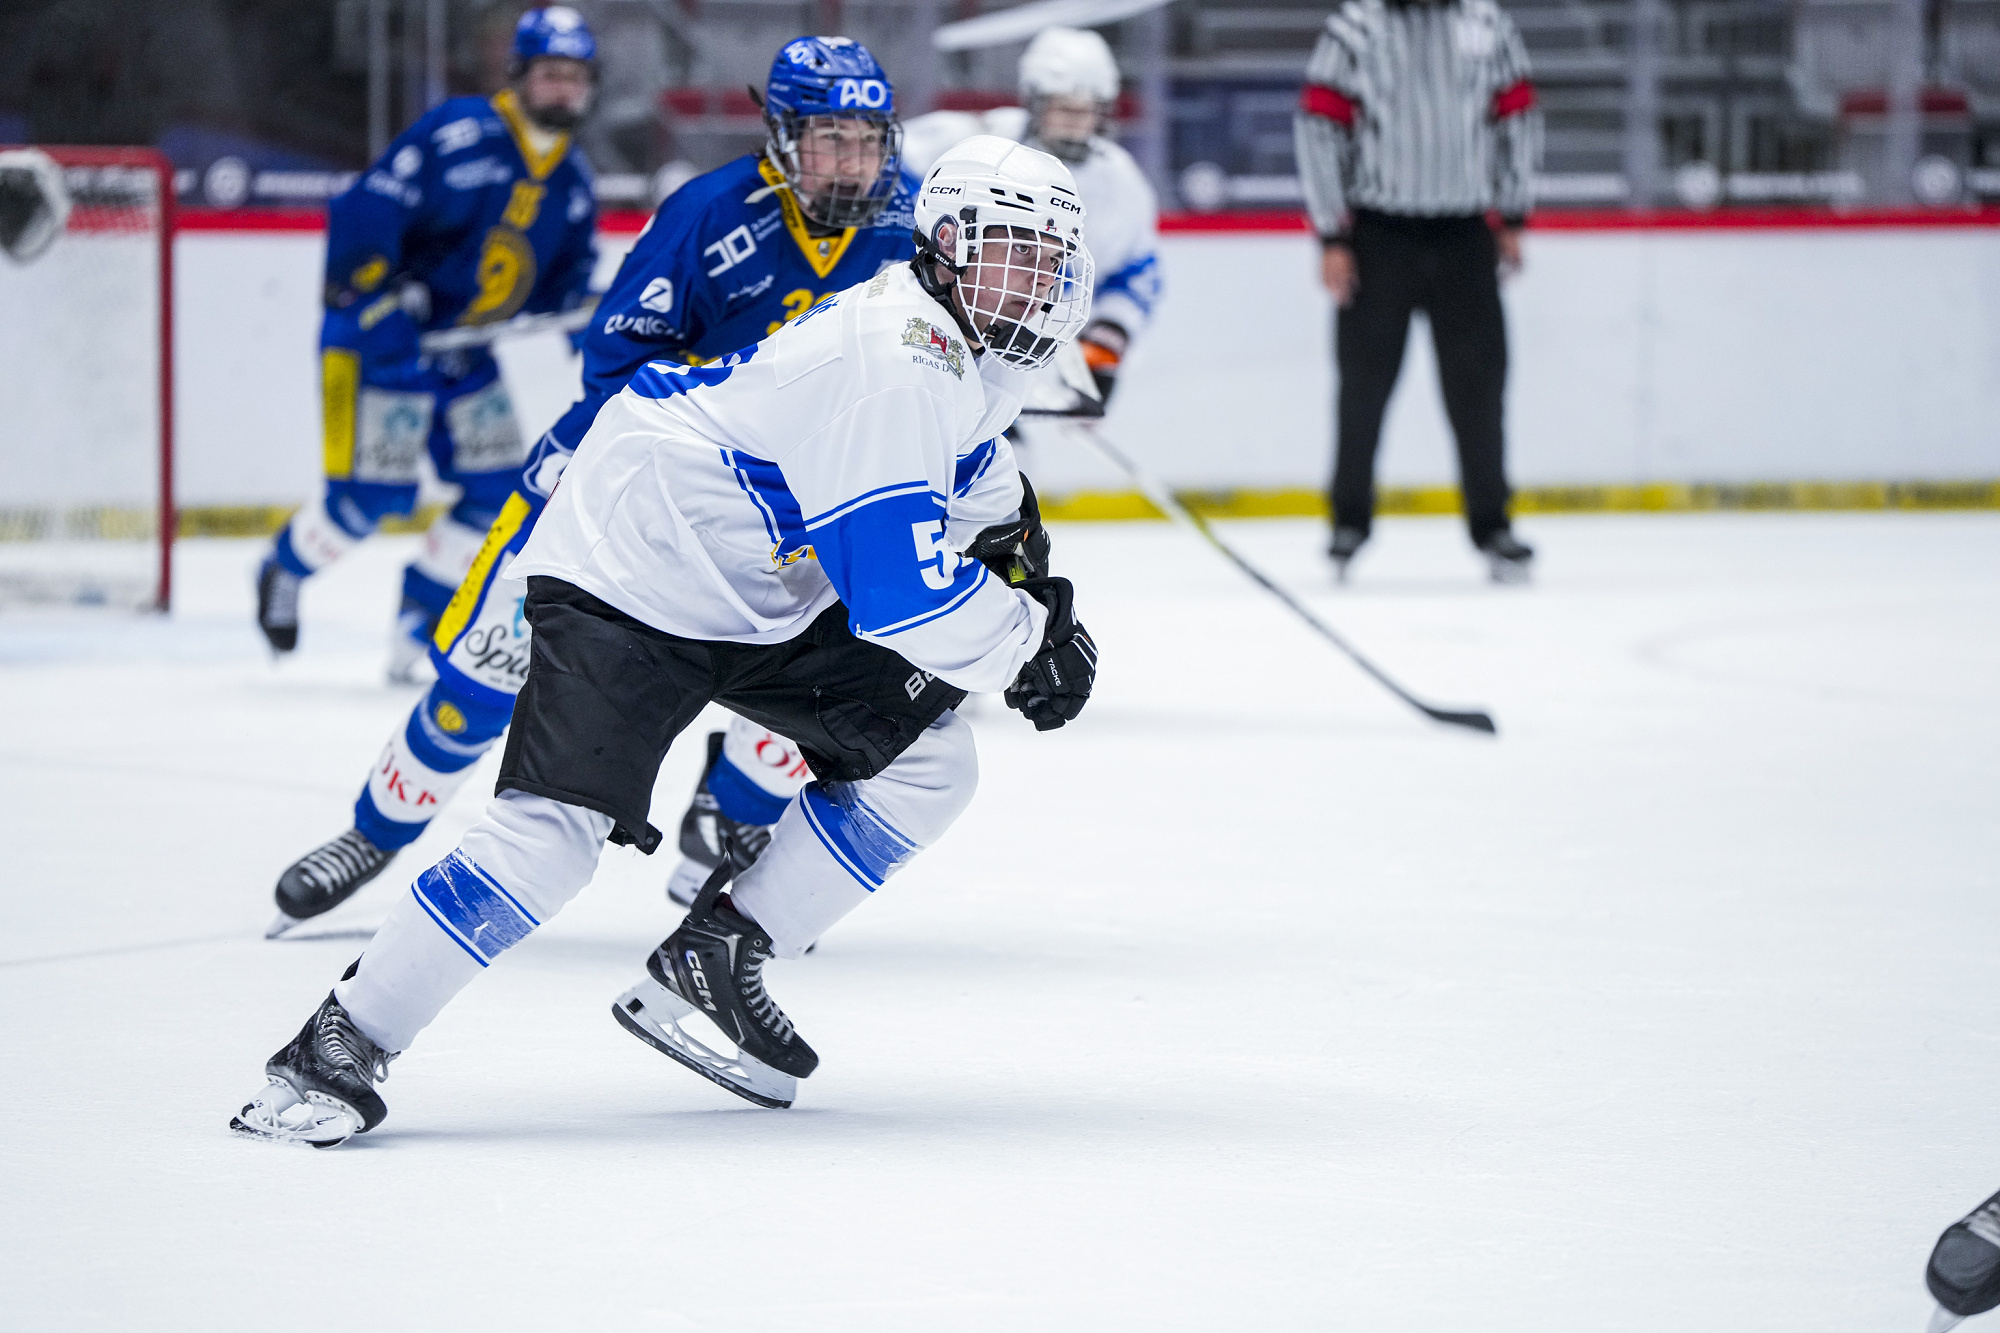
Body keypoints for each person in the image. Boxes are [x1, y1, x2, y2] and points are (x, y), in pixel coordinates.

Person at [229, 134, 1100, 1144]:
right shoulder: (901, 355)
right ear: (946, 245)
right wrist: (1025, 642)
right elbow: (899, 596)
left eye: (1052, 258)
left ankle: (717, 954)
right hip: (633, 561)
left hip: (755, 582)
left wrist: (1030, 575)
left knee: (930, 764)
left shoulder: (962, 348)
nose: (1039, 279)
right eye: (1017, 251)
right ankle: (338, 1042)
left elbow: (975, 474)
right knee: (549, 840)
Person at [265, 35, 918, 937]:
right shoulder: (708, 216)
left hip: (788, 503)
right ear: (781, 136)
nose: (853, 162)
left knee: (830, 669)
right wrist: (738, 414)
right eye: (829, 139)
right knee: (490, 669)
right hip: (623, 479)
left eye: (868, 140)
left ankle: (723, 820)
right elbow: (614, 361)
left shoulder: (908, 226)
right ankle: (374, 831)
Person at [256, 7, 600, 679]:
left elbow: (565, 285)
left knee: (499, 496)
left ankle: (418, 618)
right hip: (381, 342)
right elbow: (367, 210)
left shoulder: (573, 178)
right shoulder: (458, 134)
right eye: (550, 74)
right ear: (519, 75)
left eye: (575, 77)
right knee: (371, 501)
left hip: (465, 353)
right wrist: (374, 298)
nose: (563, 90)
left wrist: (591, 319)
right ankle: (284, 567)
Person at [1293, 0, 1541, 583]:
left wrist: (1514, 214)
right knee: (1363, 388)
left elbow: (1518, 118)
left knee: (1479, 390)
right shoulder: (1355, 28)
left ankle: (1493, 527)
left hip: (1466, 233)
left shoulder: (1487, 24)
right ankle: (1348, 523)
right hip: (1379, 234)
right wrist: (1333, 233)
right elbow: (1319, 126)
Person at [901, 26, 1159, 406]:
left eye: (1087, 109)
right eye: (1063, 107)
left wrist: (1102, 353)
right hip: (939, 326)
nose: (1075, 122)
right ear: (1036, 102)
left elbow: (1134, 273)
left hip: (1028, 351)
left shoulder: (1120, 182)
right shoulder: (979, 140)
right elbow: (891, 166)